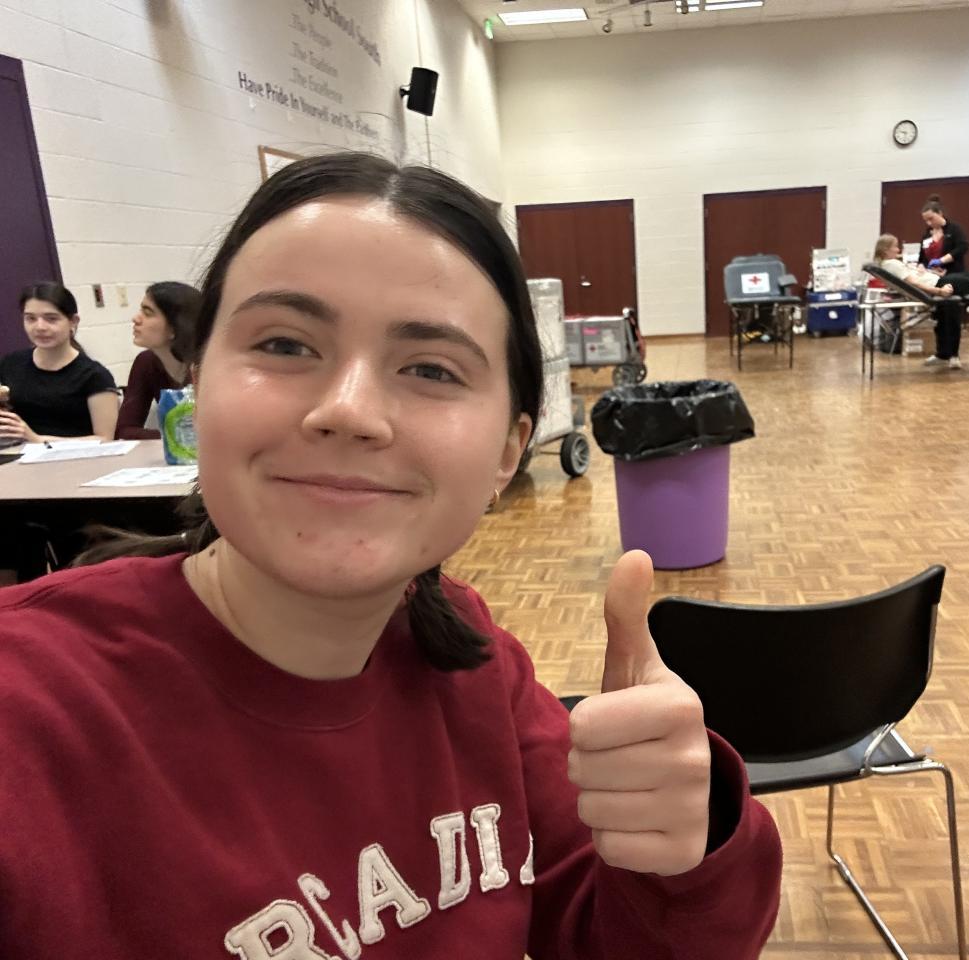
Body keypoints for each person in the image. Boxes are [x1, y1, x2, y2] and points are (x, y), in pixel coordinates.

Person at [0, 153, 782, 957]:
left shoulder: (476, 668)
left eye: (431, 368)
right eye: (284, 343)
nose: (349, 411)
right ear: (198, 389)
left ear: (508, 451)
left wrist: (683, 845)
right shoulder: (29, 714)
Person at [0, 282, 119, 442]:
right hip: (17, 454)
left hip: (74, 456)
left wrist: (36, 439)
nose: (40, 327)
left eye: (51, 319)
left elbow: (105, 439)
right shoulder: (11, 364)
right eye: (31, 318)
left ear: (73, 321)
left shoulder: (95, 376)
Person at [115, 281, 200, 439]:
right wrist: (174, 438)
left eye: (148, 313)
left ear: (174, 328)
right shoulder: (146, 362)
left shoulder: (206, 365)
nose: (136, 318)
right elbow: (125, 430)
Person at [919, 196, 969, 368]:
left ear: (940, 213)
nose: (929, 223)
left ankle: (954, 355)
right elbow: (922, 257)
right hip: (935, 280)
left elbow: (963, 247)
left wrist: (942, 260)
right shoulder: (926, 234)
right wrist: (922, 267)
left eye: (931, 218)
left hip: (953, 277)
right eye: (926, 220)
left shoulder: (954, 229)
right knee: (939, 317)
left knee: (952, 316)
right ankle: (941, 353)